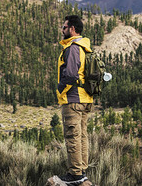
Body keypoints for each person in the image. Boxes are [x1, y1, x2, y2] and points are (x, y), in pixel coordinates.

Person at [56, 15, 93, 185]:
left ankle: (76, 175)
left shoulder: (72, 47)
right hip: (86, 99)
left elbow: (70, 75)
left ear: (71, 29)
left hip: (73, 99)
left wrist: (59, 90)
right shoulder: (85, 47)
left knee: (72, 136)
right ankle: (82, 171)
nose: (62, 30)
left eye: (64, 27)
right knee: (82, 136)